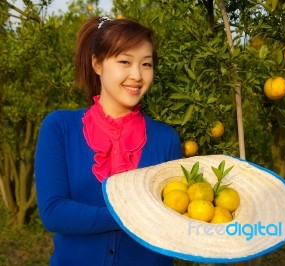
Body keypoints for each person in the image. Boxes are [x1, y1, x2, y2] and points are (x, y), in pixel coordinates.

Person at [34, 16, 182, 265]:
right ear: (97, 64)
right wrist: (130, 216)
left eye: (146, 64)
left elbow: (172, 221)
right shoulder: (60, 127)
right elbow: (53, 212)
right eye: (125, 61)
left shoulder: (166, 138)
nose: (136, 75)